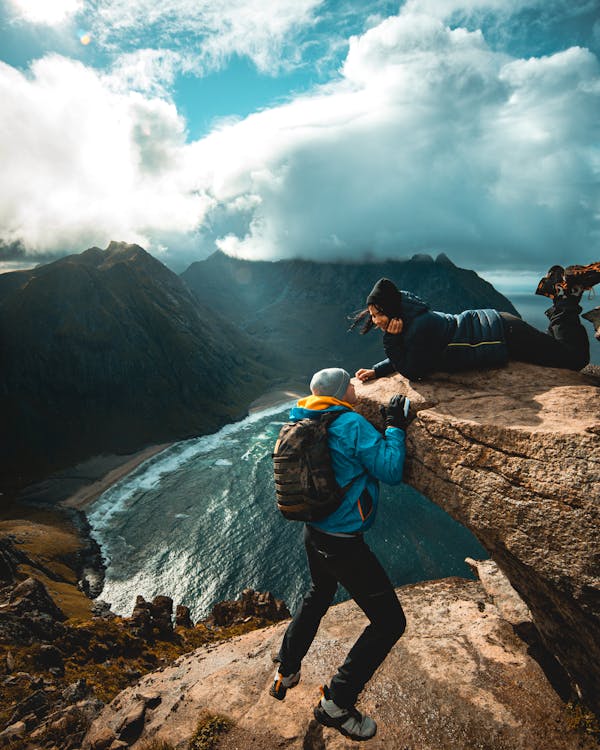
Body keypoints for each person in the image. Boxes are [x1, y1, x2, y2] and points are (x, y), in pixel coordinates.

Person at [269, 367, 409, 742]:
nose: (354, 388)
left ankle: (287, 667)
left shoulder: (303, 417)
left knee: (318, 593)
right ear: (337, 392)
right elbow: (392, 469)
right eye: (349, 384)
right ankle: (337, 703)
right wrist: (395, 425)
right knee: (389, 623)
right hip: (343, 542)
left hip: (312, 531)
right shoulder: (351, 424)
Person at [354, 262, 600, 383]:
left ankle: (565, 295)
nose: (375, 321)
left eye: (377, 315)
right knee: (554, 351)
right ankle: (559, 291)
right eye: (372, 315)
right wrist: (378, 370)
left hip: (504, 334)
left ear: (391, 309)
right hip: (498, 327)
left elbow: (414, 371)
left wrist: (391, 339)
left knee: (573, 360)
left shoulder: (419, 326)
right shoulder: (410, 318)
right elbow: (411, 354)